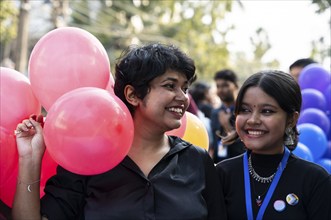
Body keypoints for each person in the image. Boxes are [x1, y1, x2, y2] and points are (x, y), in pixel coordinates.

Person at [12, 43, 226, 220]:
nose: (183, 98)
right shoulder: (89, 159)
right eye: (170, 86)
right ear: (132, 94)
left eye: (185, 88)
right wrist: (29, 159)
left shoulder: (197, 160)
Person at [216, 70, 331, 220]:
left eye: (267, 111)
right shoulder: (221, 174)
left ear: (291, 119)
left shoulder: (315, 180)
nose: (253, 120)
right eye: (245, 110)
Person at [210, 69, 245, 163]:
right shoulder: (215, 113)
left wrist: (227, 126)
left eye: (225, 85)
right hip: (219, 163)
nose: (221, 90)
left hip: (240, 162)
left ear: (236, 85)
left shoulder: (244, 111)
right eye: (218, 86)